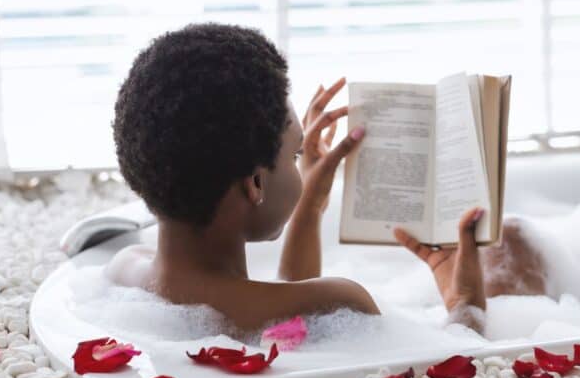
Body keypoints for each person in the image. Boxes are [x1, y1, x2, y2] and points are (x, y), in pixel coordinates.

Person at [105, 23, 547, 335]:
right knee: (515, 245)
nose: (302, 166)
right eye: (295, 153)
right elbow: (450, 365)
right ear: (255, 184)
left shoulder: (125, 271)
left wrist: (309, 208)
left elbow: (277, 305)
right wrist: (465, 304)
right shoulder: (340, 302)